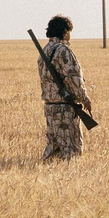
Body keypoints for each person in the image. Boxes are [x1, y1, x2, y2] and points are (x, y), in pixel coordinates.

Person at [38, 14, 92, 161]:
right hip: (65, 108)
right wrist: (85, 99)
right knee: (71, 150)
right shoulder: (63, 51)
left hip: (49, 106)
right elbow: (74, 79)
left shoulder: (45, 51)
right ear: (65, 32)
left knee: (53, 148)